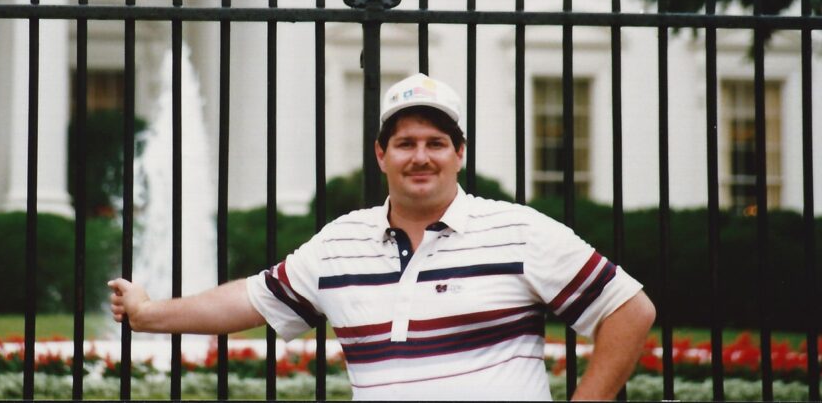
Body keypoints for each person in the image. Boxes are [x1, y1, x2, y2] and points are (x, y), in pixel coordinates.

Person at [109, 73, 655, 401]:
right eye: (405, 142)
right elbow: (249, 300)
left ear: (459, 154)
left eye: (437, 142)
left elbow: (629, 310)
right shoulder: (340, 244)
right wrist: (148, 314)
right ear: (381, 154)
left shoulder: (518, 231)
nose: (421, 156)